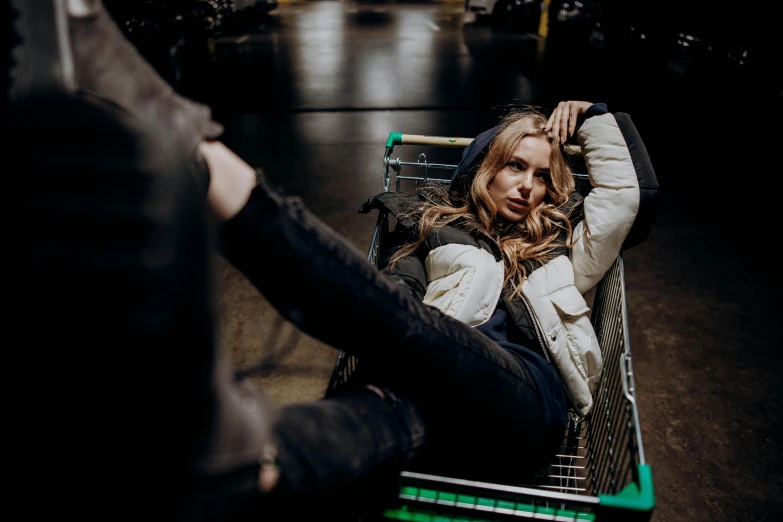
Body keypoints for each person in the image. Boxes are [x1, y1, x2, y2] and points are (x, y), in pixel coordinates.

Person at [6, 1, 658, 520]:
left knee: (404, 327)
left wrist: (588, 115)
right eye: (511, 166)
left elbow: (626, 194)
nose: (526, 185)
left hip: (524, 398)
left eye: (541, 176)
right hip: (434, 396)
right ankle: (230, 463)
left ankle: (203, 159)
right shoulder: (440, 231)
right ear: (479, 171)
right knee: (382, 413)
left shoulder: (563, 248)